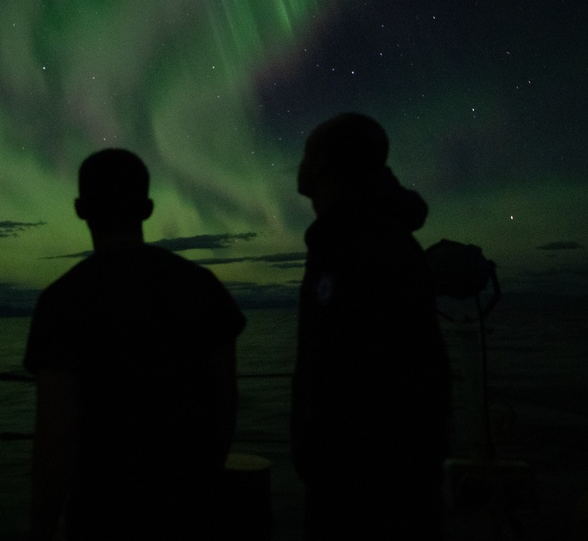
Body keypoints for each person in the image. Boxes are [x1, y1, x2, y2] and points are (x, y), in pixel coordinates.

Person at [25, 148, 246, 541]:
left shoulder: (63, 300)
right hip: (196, 512)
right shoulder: (201, 286)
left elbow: (56, 435)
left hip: (103, 516)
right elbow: (224, 402)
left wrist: (42, 523)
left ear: (80, 209)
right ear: (146, 209)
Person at [291, 113, 452, 539]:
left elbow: (375, 371)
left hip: (367, 491)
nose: (300, 165)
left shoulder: (364, 242)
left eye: (308, 154)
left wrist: (331, 462)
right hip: (363, 480)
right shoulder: (357, 236)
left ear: (325, 162)